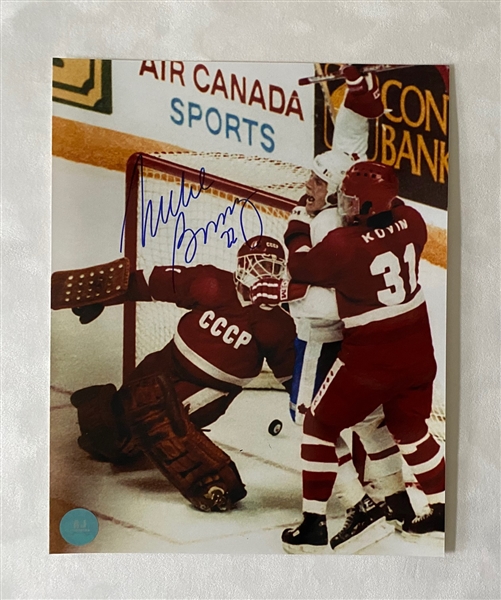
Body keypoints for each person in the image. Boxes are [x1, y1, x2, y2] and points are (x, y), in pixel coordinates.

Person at [255, 67, 415, 552]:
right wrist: (359, 88)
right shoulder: (351, 197)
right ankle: (399, 505)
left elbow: (325, 297)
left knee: (312, 422)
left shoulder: (327, 228)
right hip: (364, 339)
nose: (305, 181)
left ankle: (340, 506)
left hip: (324, 339)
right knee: (369, 421)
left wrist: (283, 292)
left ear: (329, 189)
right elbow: (352, 135)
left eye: (312, 179)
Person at [51, 236, 296, 513]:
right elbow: (153, 283)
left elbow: (292, 376)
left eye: (274, 269)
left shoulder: (279, 325)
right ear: (243, 266)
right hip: (166, 361)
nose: (267, 274)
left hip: (208, 390)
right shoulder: (212, 282)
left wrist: (311, 407)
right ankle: (102, 415)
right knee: (111, 433)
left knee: (159, 425)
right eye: (261, 266)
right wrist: (107, 297)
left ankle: (207, 478)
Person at [280, 160, 445, 552]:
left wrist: (300, 223)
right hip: (419, 351)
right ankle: (441, 511)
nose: (345, 206)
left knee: (317, 426)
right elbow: (395, 211)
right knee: (410, 427)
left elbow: (300, 264)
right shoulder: (415, 221)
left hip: (372, 359)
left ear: (370, 206)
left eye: (352, 201)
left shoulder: (342, 246)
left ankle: (313, 526)